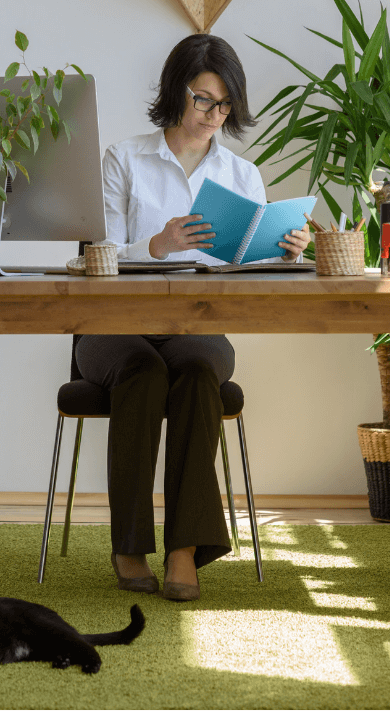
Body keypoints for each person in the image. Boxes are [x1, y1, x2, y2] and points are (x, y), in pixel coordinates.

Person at [75, 34, 309, 601]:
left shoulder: (240, 175)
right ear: (175, 91)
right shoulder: (124, 158)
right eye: (204, 100)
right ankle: (130, 544)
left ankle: (185, 548)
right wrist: (155, 245)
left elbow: (249, 269)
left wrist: (283, 252)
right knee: (141, 372)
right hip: (114, 325)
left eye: (224, 105)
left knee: (202, 368)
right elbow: (92, 256)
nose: (213, 115)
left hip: (196, 327)